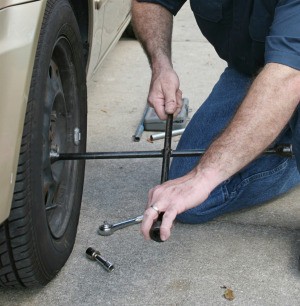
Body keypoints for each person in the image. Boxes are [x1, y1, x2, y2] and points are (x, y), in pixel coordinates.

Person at [131, 0, 300, 241]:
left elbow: (287, 77)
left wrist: (204, 176)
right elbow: (148, 2)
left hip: (289, 71)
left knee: (203, 183)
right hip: (252, 69)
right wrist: (161, 65)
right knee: (192, 202)